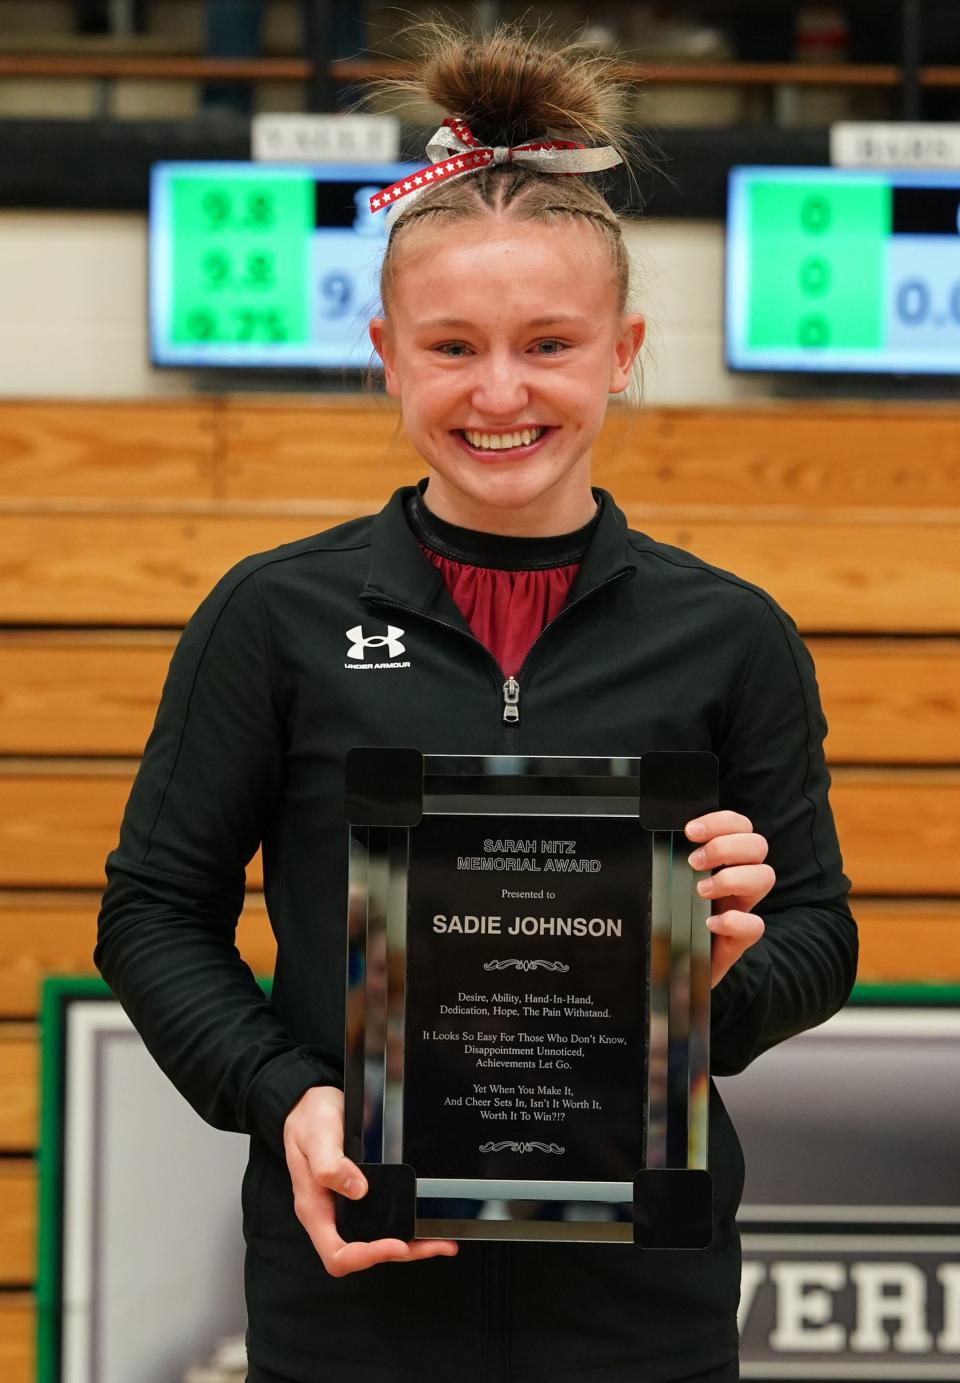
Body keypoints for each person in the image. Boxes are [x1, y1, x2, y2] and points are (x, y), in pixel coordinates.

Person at [95, 20, 858, 1383]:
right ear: (387, 352)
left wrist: (717, 989)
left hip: (641, 1306)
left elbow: (819, 928)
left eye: (549, 344)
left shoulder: (728, 634)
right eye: (452, 346)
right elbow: (154, 914)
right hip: (357, 1284)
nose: (500, 391)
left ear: (621, 352)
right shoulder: (273, 617)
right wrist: (291, 1097)